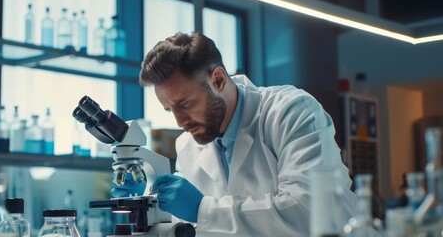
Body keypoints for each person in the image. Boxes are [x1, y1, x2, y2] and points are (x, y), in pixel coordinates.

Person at [112, 32, 357, 236]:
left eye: (185, 104)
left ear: (217, 80)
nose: (179, 121)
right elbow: (191, 226)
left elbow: (310, 212)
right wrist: (151, 199)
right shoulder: (188, 144)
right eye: (169, 110)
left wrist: (202, 208)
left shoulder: (291, 112)